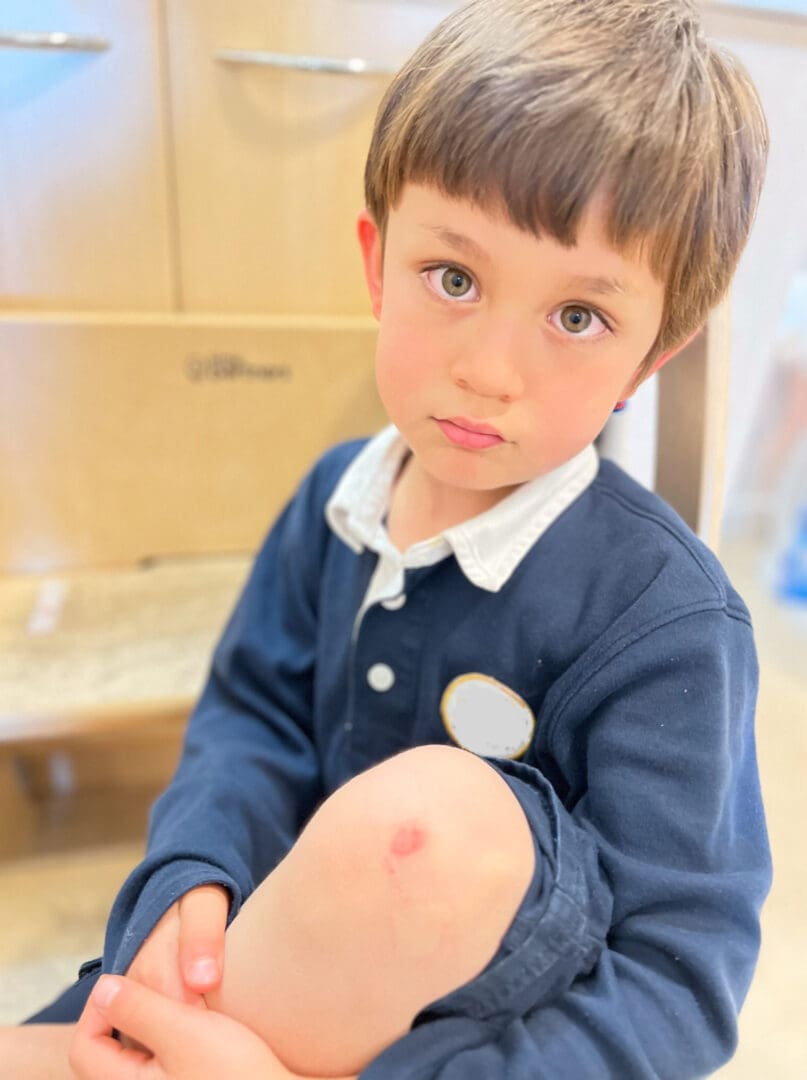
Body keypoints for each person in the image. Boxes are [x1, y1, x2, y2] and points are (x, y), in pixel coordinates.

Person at [7, 0, 772, 1076]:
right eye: (452, 280)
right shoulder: (337, 499)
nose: (489, 372)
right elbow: (250, 719)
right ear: (377, 263)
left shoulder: (665, 618)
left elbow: (675, 985)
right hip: (268, 951)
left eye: (578, 318)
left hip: (468, 1047)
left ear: (649, 359)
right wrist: (195, 873)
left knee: (439, 822)